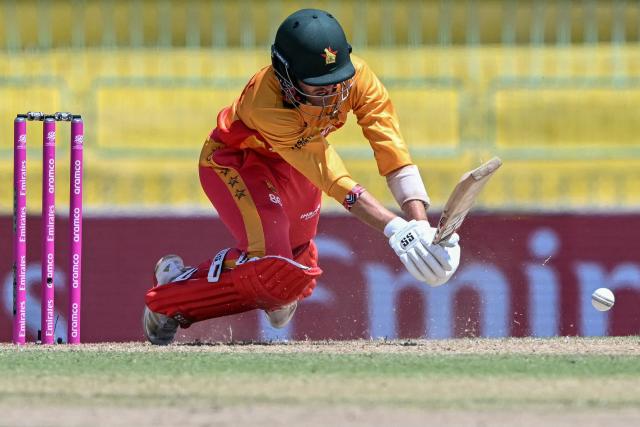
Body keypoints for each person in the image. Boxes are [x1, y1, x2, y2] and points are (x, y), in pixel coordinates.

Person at [143, 8, 461, 345]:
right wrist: (396, 230)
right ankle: (171, 297)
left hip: (295, 165)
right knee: (275, 266)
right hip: (236, 162)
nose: (332, 95)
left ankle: (240, 288)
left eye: (337, 82)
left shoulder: (356, 78)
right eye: (319, 87)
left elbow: (390, 147)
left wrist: (421, 226)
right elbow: (329, 172)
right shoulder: (266, 103)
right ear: (286, 76)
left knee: (295, 277)